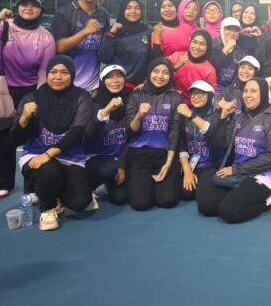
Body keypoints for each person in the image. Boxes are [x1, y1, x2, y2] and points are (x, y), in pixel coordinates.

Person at [0, 0, 55, 199]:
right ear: (17, 7)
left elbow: (43, 72)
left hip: (29, 91)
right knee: (5, 139)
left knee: (32, 138)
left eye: (34, 5)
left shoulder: (46, 37)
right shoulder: (1, 27)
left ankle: (32, 184)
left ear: (41, 10)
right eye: (24, 4)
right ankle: (4, 183)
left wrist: (39, 98)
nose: (29, 8)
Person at [11, 55, 93, 231]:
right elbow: (15, 138)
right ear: (47, 74)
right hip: (36, 154)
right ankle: (48, 208)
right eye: (53, 72)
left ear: (72, 75)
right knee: (49, 171)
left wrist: (48, 154)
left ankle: (46, 191)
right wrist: (24, 118)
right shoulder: (31, 98)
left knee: (79, 202)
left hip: (69, 156)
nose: (58, 77)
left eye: (64, 72)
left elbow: (78, 131)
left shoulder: (82, 96)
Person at [196, 78, 271, 223]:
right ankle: (235, 196)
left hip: (262, 176)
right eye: (246, 91)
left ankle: (268, 202)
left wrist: (236, 169)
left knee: (228, 212)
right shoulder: (240, 117)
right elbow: (222, 143)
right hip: (238, 174)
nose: (248, 95)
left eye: (253, 91)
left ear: (263, 93)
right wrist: (222, 117)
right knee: (207, 206)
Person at [120, 58, 182, 211]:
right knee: (141, 203)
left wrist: (168, 163)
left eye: (165, 73)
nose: (160, 76)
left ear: (170, 76)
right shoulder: (136, 95)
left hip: (164, 154)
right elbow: (129, 130)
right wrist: (138, 115)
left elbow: (174, 132)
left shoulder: (175, 97)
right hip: (139, 154)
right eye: (156, 71)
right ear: (149, 73)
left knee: (167, 200)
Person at [51, 0, 110, 91]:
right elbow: (59, 47)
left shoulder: (103, 15)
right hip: (67, 85)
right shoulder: (64, 12)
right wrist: (85, 32)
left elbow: (104, 49)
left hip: (93, 87)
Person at [84, 65, 130, 206]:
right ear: (102, 81)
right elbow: (88, 136)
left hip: (119, 158)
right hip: (96, 158)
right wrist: (106, 110)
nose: (115, 81)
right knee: (109, 169)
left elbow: (131, 138)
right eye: (109, 77)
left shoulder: (130, 101)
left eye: (119, 76)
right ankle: (87, 187)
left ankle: (109, 183)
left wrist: (121, 164)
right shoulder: (93, 104)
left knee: (120, 199)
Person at [175, 80, 226, 203]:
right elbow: (181, 144)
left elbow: (214, 134)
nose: (195, 97)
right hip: (193, 165)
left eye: (200, 93)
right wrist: (187, 170)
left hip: (211, 165)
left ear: (210, 95)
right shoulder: (186, 115)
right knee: (185, 194)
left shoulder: (219, 114)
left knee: (206, 201)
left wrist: (191, 115)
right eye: (193, 93)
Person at [98, 0, 151, 88]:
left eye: (137, 8)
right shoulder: (112, 30)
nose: (133, 11)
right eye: (129, 8)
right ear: (123, 10)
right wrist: (111, 33)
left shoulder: (146, 31)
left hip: (141, 86)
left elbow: (152, 58)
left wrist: (147, 81)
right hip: (118, 85)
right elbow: (104, 58)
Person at [168, 29, 218, 103]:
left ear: (208, 47)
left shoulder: (210, 70)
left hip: (192, 106)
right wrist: (176, 67)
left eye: (202, 44)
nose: (197, 47)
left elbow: (210, 97)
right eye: (194, 42)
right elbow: (160, 76)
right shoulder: (177, 56)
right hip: (169, 102)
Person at [210, 17, 245, 92]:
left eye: (236, 30)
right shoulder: (212, 44)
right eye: (229, 29)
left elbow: (237, 76)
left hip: (230, 90)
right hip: (212, 88)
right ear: (222, 29)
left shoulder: (239, 51)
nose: (232, 33)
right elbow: (212, 67)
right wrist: (226, 49)